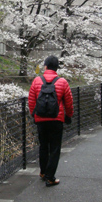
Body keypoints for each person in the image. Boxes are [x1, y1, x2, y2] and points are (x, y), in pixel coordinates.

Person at [28, 55, 74, 187]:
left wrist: (34, 115)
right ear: (56, 68)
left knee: (43, 146)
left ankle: (43, 172)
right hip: (56, 119)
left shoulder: (37, 81)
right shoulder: (62, 82)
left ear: (46, 66)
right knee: (54, 148)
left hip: (41, 119)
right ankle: (50, 177)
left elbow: (32, 100)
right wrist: (68, 116)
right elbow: (69, 103)